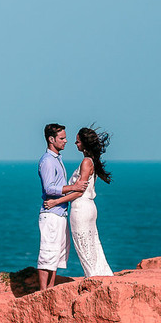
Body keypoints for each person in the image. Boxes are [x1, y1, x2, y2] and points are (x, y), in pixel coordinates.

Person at [43, 126, 113, 277]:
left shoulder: (86, 162)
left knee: (83, 245)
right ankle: (101, 275)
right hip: (89, 207)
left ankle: (93, 276)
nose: (74, 144)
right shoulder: (91, 161)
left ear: (84, 143)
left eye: (77, 141)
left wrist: (56, 202)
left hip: (81, 207)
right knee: (92, 242)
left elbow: (79, 191)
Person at [36, 123, 87, 291]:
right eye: (62, 138)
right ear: (51, 139)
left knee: (56, 254)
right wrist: (74, 187)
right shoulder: (48, 161)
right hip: (51, 214)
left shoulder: (56, 159)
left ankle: (49, 289)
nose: (66, 141)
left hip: (59, 213)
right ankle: (43, 291)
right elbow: (49, 188)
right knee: (48, 253)